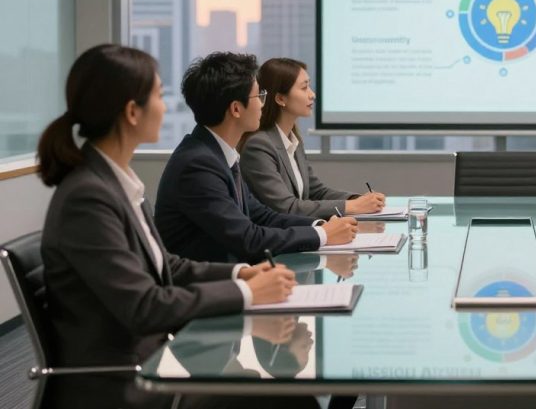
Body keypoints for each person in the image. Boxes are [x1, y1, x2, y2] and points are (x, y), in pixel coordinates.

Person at [37, 44, 299, 409]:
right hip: (126, 381)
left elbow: (167, 266)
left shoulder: (117, 181)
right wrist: (249, 294)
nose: (166, 105)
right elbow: (144, 306)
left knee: (286, 393)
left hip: (157, 360)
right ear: (132, 112)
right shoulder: (89, 199)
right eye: (159, 95)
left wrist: (242, 274)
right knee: (286, 398)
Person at [155, 52, 357, 263]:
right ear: (235, 109)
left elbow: (263, 216)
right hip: (207, 286)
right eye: (258, 96)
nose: (262, 104)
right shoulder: (198, 165)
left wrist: (320, 227)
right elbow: (249, 239)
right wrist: (323, 235)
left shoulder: (218, 153)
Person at [239, 58, 385, 219]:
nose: (312, 95)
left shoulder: (292, 140)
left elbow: (316, 192)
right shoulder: (259, 146)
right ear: (280, 98)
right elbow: (287, 207)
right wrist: (352, 206)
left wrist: (357, 199)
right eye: (304, 88)